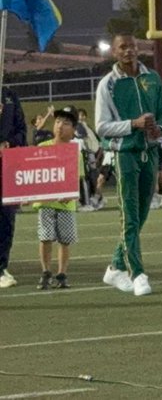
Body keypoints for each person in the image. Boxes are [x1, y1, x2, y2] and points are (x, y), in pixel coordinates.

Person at [96, 33, 162, 297]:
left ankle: (115, 267)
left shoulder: (152, 78)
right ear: (114, 52)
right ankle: (137, 273)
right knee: (129, 214)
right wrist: (133, 125)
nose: (129, 51)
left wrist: (158, 129)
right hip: (125, 153)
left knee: (141, 214)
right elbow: (101, 126)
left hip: (149, 152)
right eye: (122, 47)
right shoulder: (109, 84)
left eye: (132, 46)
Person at [32, 106, 85, 290]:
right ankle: (46, 271)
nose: (60, 126)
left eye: (66, 123)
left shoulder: (75, 151)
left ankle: (62, 274)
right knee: (45, 237)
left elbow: (76, 179)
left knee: (65, 240)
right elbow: (34, 175)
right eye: (58, 122)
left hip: (66, 203)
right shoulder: (42, 148)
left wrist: (71, 194)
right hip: (46, 202)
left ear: (74, 129)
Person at [0, 84, 27, 288]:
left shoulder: (9, 95)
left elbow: (21, 131)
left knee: (6, 218)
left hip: (7, 167)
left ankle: (1, 267)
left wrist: (9, 143)